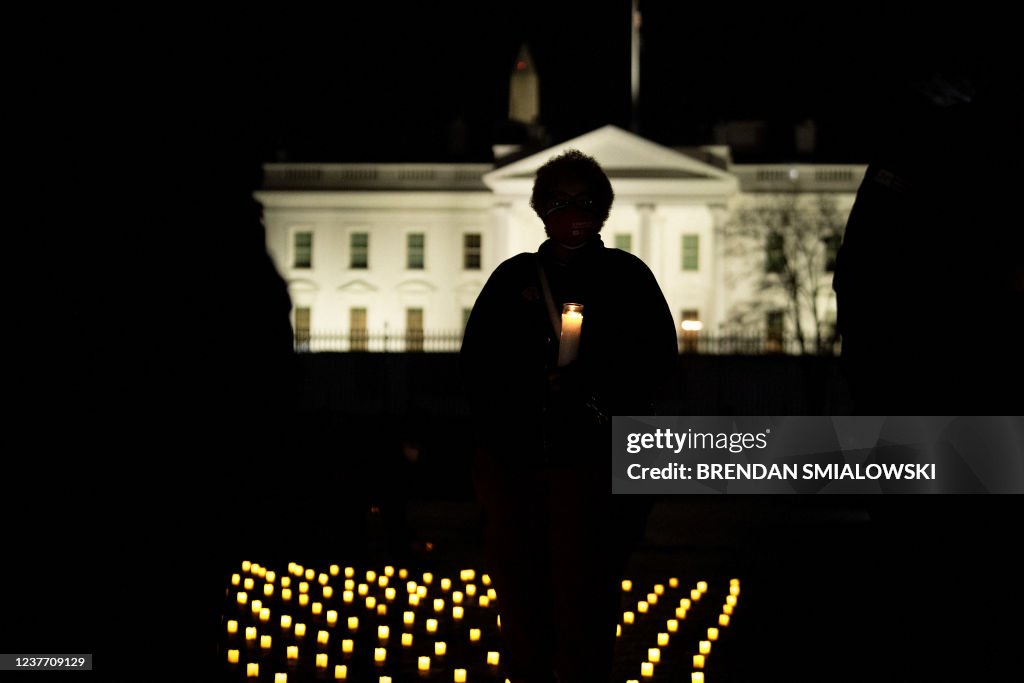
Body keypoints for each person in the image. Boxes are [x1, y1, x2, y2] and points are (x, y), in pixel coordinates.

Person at [460, 149, 679, 683]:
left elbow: (658, 366)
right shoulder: (512, 280)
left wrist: (594, 380)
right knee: (522, 604)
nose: (571, 212)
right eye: (559, 201)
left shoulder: (628, 279)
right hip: (519, 465)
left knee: (586, 604)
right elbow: (476, 370)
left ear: (603, 209)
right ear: (539, 209)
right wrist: (531, 383)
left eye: (583, 201)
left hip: (594, 467)